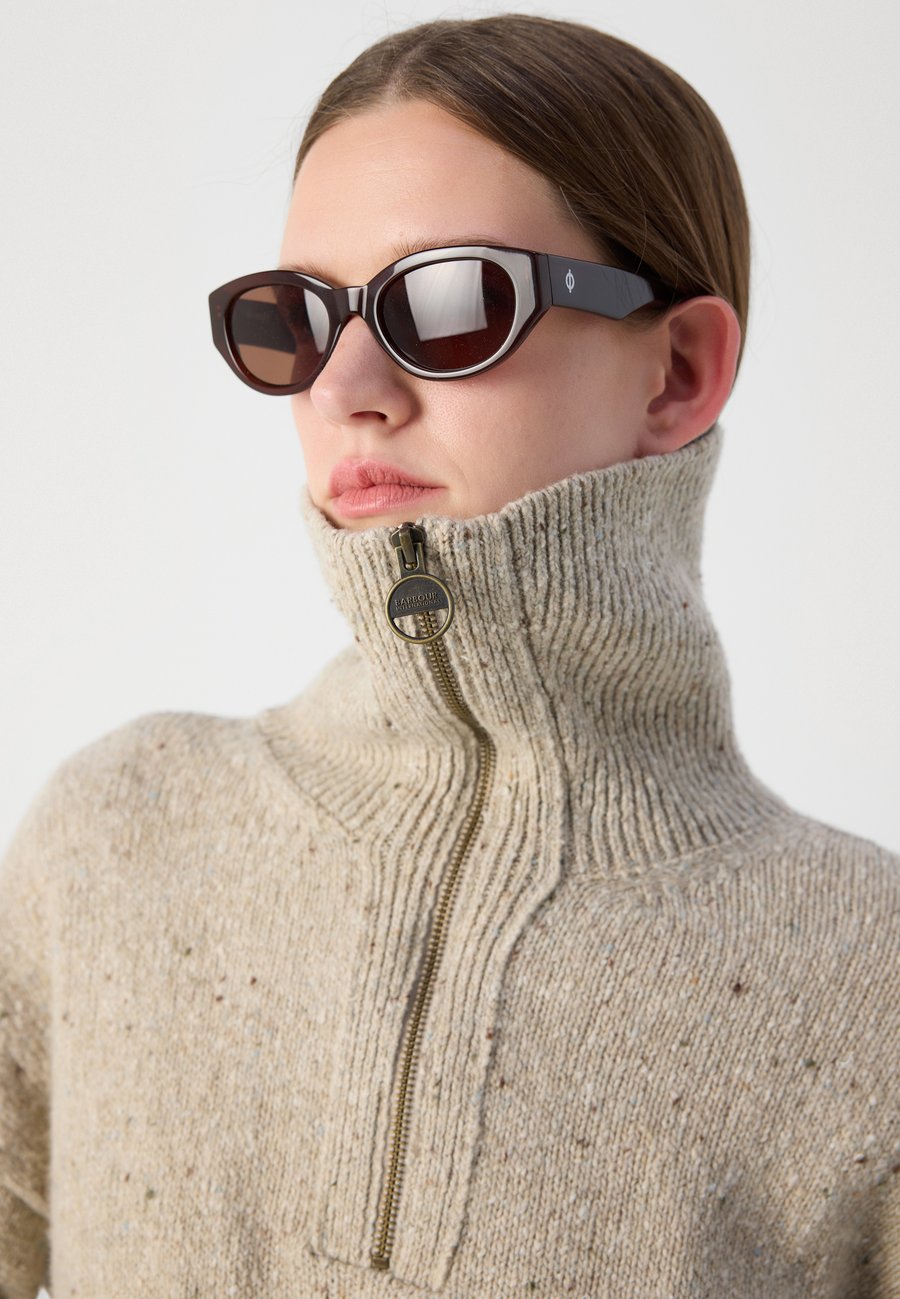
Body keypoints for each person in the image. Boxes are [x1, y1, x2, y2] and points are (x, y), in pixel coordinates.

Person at [1, 13, 897, 1298]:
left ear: (677, 372)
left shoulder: (866, 975)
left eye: (450, 302)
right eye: (296, 318)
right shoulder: (116, 835)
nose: (344, 387)